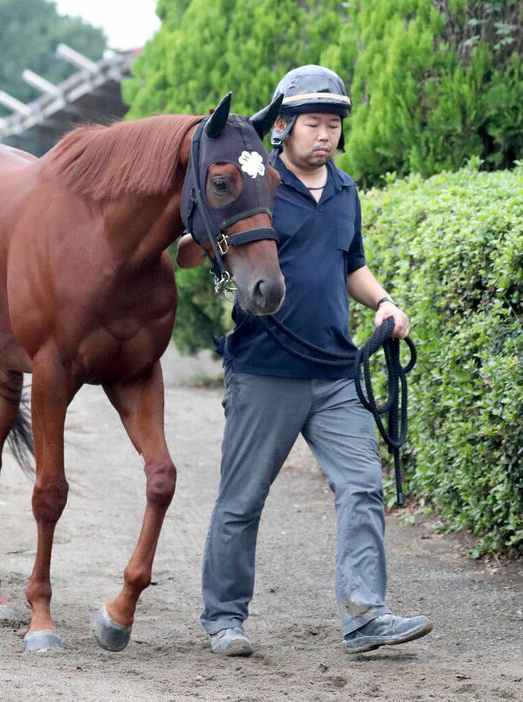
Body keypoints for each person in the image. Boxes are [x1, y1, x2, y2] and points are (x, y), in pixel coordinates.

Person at [177, 65, 432, 656]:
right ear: (284, 127)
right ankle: (224, 617)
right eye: (313, 123)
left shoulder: (344, 191)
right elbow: (193, 254)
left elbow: (352, 267)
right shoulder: (256, 182)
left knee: (364, 487)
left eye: (334, 124)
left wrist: (386, 303)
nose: (325, 135)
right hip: (265, 370)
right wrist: (207, 241)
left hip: (335, 372)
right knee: (242, 499)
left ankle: (366, 614)